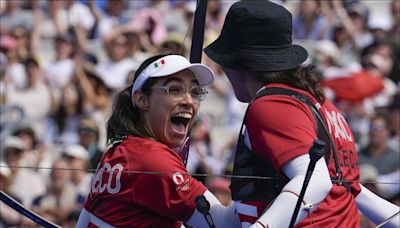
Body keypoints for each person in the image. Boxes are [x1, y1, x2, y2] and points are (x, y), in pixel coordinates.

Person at [204, 1, 400, 228]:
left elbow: (316, 181)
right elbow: (350, 189)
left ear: (239, 61)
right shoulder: (323, 105)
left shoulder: (271, 104)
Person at [77, 54, 240, 227]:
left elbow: (84, 221)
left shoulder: (118, 150)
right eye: (175, 89)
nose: (189, 101)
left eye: (195, 92)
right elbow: (224, 225)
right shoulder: (152, 158)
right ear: (142, 100)